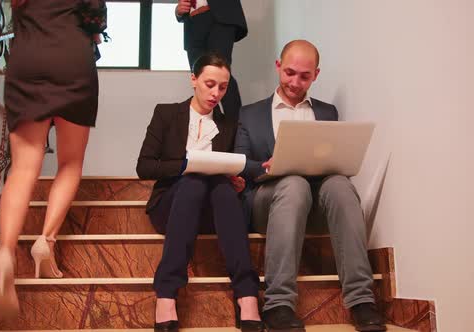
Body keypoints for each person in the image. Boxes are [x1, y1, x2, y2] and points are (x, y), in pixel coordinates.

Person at [234, 40, 387, 332]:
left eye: (304, 76)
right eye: (289, 72)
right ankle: (278, 303)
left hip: (314, 202)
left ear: (316, 75)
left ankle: (362, 300)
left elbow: (333, 160)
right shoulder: (250, 114)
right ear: (278, 67)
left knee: (341, 185)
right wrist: (266, 165)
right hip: (269, 201)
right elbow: (242, 163)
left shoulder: (328, 112)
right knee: (293, 184)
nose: (295, 82)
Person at [0, 0, 106, 321]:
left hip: (27, 59)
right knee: (69, 163)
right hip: (71, 58)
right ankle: (46, 241)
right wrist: (96, 33)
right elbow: (96, 19)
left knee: (24, 167)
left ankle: (5, 253)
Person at [136, 52, 262, 332]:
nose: (216, 93)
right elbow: (144, 166)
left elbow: (232, 168)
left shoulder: (229, 124)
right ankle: (167, 293)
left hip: (213, 209)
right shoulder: (166, 114)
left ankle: (247, 293)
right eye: (209, 84)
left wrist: (238, 178)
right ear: (193, 79)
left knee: (221, 187)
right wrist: (186, 165)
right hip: (170, 206)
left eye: (223, 87)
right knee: (193, 182)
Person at [175, 0, 247, 122]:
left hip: (220, 16)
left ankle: (237, 131)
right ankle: (212, 128)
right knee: (200, 77)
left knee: (220, 72)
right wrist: (178, 11)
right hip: (192, 22)